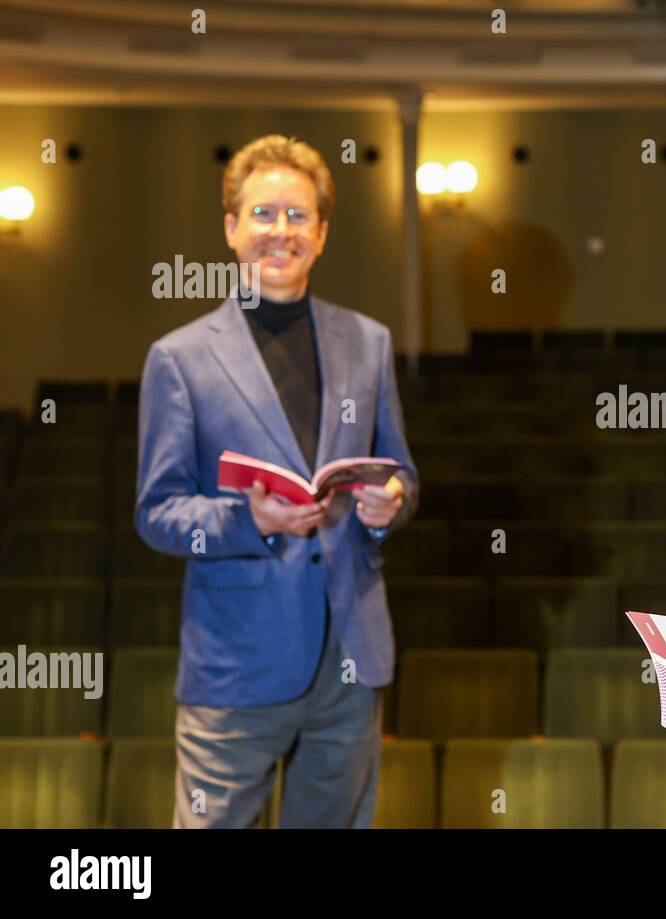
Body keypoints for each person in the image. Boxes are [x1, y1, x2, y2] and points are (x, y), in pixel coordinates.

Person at [135, 134, 419, 828]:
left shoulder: (370, 341)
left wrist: (391, 503)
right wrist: (249, 520)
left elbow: (399, 470)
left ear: (321, 234)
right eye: (263, 214)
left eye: (297, 217)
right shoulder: (178, 359)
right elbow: (157, 511)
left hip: (349, 659)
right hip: (235, 663)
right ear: (231, 228)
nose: (280, 232)